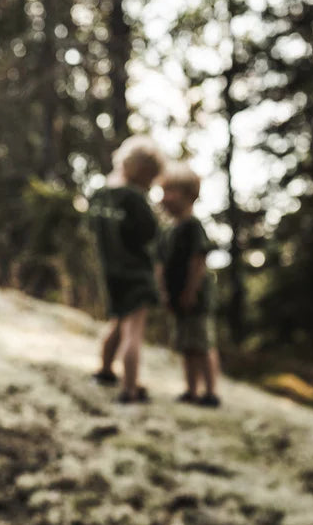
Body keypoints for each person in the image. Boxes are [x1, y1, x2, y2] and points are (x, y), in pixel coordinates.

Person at [88, 135, 165, 404]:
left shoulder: (99, 196)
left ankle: (105, 370)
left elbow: (92, 228)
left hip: (111, 273)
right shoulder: (134, 199)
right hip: (136, 274)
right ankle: (130, 389)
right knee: (133, 331)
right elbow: (151, 232)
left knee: (116, 322)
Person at [156, 162, 221, 408]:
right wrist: (164, 293)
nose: (165, 197)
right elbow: (160, 265)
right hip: (176, 298)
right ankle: (191, 390)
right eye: (163, 191)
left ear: (189, 195)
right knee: (185, 345)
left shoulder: (193, 227)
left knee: (202, 344)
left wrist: (191, 292)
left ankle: (211, 392)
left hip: (196, 298)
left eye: (170, 191)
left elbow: (198, 261)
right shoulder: (167, 231)